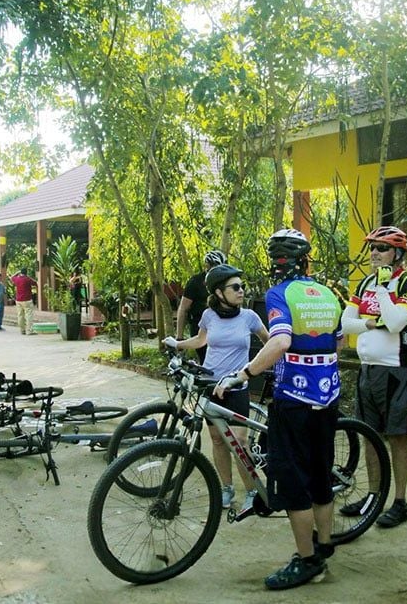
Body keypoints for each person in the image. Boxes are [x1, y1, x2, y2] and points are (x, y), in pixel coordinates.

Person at [215, 229, 343, 590]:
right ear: (305, 261)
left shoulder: (279, 293)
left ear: (276, 264)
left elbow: (281, 340)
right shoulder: (328, 294)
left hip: (294, 400)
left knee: (293, 480)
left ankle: (307, 561)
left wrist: (245, 374)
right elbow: (339, 341)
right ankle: (324, 545)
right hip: (328, 396)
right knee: (321, 473)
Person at [164, 264, 269, 513]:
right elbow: (201, 340)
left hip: (236, 386)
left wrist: (259, 367)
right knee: (217, 441)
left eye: (242, 286)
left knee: (239, 442)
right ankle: (226, 488)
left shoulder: (249, 317)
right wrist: (177, 344)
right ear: (219, 293)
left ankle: (253, 491)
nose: (241, 291)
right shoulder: (209, 316)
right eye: (235, 287)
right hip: (210, 386)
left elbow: (269, 342)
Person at [339, 225, 407, 529]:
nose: (374, 253)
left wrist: (385, 290)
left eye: (382, 248)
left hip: (396, 370)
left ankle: (400, 502)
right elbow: (345, 323)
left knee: (397, 437)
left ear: (397, 253)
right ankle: (373, 497)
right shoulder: (365, 283)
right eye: (372, 247)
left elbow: (397, 322)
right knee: (369, 435)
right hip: (367, 369)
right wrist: (372, 323)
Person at [176, 249, 226, 362]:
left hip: (220, 326)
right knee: (207, 360)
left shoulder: (224, 282)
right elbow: (183, 308)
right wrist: (179, 336)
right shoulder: (195, 282)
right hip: (200, 326)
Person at [10, 268, 36, 335]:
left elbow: (11, 277)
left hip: (18, 300)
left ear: (20, 272)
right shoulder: (28, 279)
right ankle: (29, 331)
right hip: (27, 300)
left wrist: (17, 273)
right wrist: (28, 276)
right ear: (26, 273)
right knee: (29, 315)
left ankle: (22, 330)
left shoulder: (17, 279)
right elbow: (35, 283)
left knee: (20, 315)